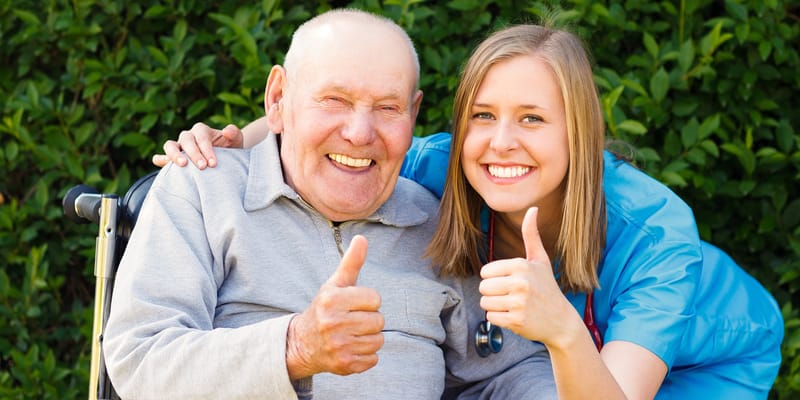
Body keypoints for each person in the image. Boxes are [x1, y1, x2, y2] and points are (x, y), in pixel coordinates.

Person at [159, 22, 785, 400]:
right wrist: (232, 139)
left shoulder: (656, 234)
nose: (500, 142)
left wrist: (563, 331)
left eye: (532, 119)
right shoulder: (441, 165)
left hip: (704, 357)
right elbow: (340, 136)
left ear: (580, 132)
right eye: (483, 116)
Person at [106, 8, 558, 400]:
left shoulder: (434, 221)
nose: (360, 134)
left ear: (413, 113)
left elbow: (506, 371)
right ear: (278, 99)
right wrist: (295, 348)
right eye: (335, 100)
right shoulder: (204, 191)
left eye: (387, 108)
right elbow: (140, 360)